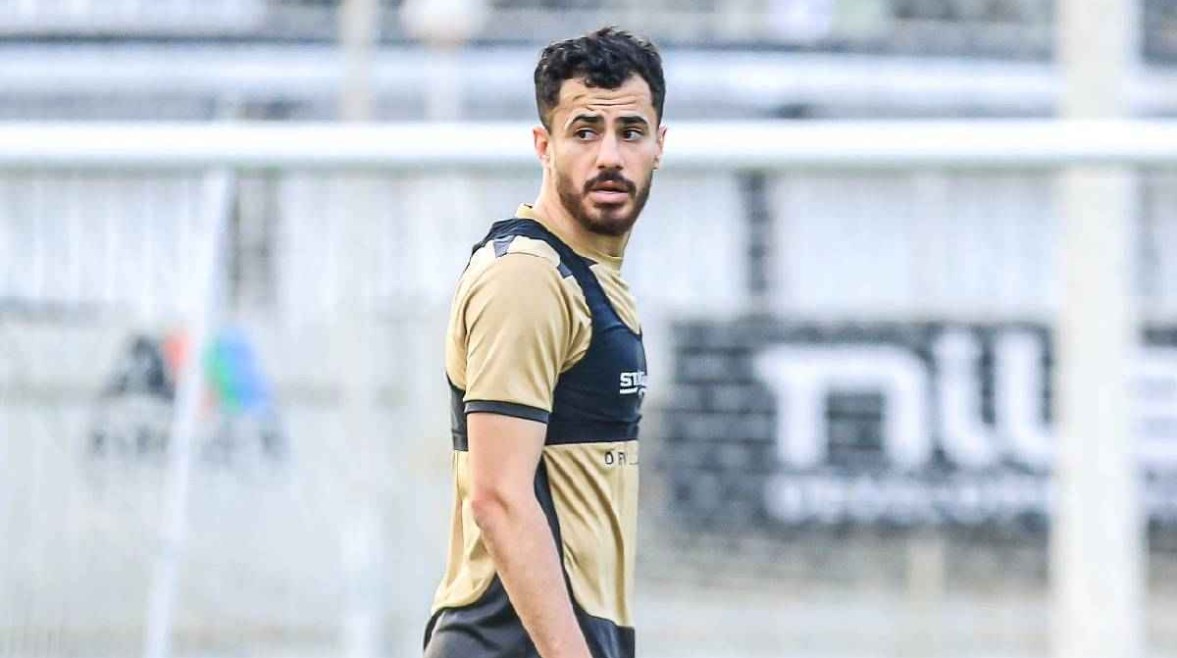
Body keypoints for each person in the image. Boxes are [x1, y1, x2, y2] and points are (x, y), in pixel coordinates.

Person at [423, 26, 666, 658]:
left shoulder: (591, 278)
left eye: (630, 132)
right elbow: (499, 497)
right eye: (584, 132)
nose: (609, 155)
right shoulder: (528, 277)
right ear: (544, 145)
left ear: (659, 146)